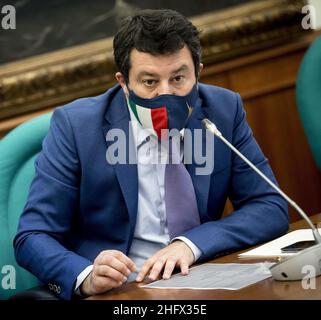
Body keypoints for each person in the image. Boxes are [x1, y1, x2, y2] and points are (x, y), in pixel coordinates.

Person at [14, 9, 288, 300]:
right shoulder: (76, 126)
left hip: (203, 279)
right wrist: (87, 276)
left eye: (179, 78)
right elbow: (32, 237)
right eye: (149, 82)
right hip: (120, 292)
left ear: (198, 73)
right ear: (124, 83)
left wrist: (191, 244)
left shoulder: (223, 110)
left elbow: (269, 206)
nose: (166, 94)